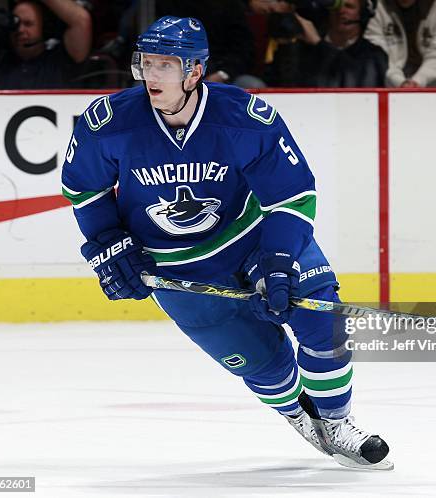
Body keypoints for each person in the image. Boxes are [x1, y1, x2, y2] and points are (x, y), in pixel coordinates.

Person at [61, 16, 393, 470]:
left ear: (194, 71)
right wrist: (109, 241)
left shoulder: (244, 119)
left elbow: (293, 197)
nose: (150, 75)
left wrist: (278, 260)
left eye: (164, 65)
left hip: (251, 240)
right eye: (145, 63)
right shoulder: (110, 124)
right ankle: (299, 413)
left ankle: (337, 420)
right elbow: (86, 189)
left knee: (323, 323)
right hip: (174, 268)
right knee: (262, 362)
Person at [265, 0, 389, 87]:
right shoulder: (307, 48)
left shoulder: (373, 55)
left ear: (362, 14)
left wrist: (319, 44)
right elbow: (284, 83)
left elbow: (358, 82)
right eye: (336, 6)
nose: (341, 11)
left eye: (349, 6)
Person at [0, 0, 91, 89]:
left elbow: (81, 20)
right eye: (16, 24)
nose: (20, 30)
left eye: (28, 24)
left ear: (44, 29)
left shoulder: (61, 63)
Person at [364, 0, 436, 87]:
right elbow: (378, 55)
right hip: (390, 78)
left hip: (427, 80)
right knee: (370, 76)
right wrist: (400, 82)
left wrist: (417, 82)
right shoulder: (377, 8)